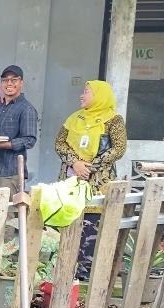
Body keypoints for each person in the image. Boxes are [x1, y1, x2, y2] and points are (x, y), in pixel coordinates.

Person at [55, 81, 126, 279]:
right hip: (71, 178)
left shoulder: (114, 120)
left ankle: (87, 273)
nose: (82, 95)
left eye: (86, 92)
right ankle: (66, 268)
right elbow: (59, 143)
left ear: (99, 95)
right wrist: (75, 162)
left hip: (97, 182)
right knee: (69, 221)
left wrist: (90, 166)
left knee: (91, 225)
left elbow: (119, 149)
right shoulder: (74, 118)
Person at [0, 65, 38, 196]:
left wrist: (0, 144)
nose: (9, 83)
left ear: (21, 83)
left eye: (14, 80)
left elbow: (29, 140)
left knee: (7, 214)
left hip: (10, 172)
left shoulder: (26, 109)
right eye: (5, 80)